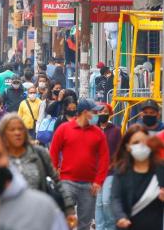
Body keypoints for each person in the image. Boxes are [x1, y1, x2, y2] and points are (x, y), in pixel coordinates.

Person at [0, 114, 77, 226]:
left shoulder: (38, 153)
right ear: (4, 133)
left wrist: (69, 209)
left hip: (37, 216)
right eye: (12, 129)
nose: (17, 133)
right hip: (8, 218)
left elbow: (57, 181)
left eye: (20, 129)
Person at [50, 98, 110, 230]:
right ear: (84, 112)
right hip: (66, 182)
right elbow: (53, 152)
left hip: (89, 185)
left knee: (85, 224)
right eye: (94, 112)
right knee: (66, 220)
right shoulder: (64, 129)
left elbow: (104, 159)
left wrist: (98, 181)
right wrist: (55, 173)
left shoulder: (98, 134)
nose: (97, 115)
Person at [111, 125, 164, 230]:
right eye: (136, 143)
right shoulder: (121, 171)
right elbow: (115, 198)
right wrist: (120, 217)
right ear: (128, 147)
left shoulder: (162, 168)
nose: (141, 146)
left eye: (144, 142)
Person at [95, 103, 122, 230]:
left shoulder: (116, 130)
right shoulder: (92, 130)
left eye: (104, 111)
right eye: (99, 111)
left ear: (110, 113)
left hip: (111, 171)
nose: (102, 114)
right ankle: (100, 227)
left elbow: (120, 151)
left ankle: (111, 227)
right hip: (95, 172)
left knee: (106, 201)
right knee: (98, 203)